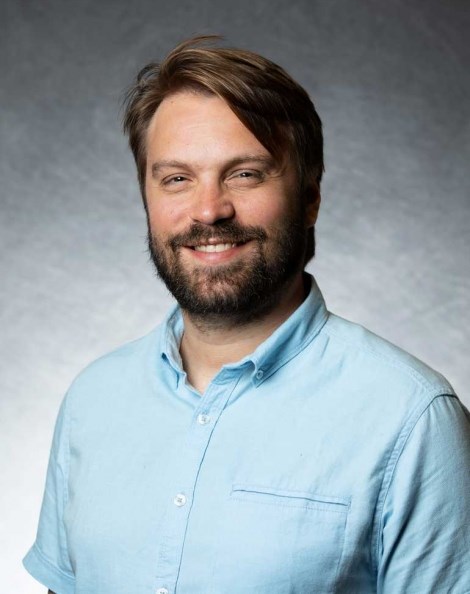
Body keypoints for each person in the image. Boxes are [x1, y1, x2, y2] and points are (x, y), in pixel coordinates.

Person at [24, 36, 470, 594]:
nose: (209, 210)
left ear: (309, 197)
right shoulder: (93, 399)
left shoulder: (412, 419)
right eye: (177, 178)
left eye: (246, 174)